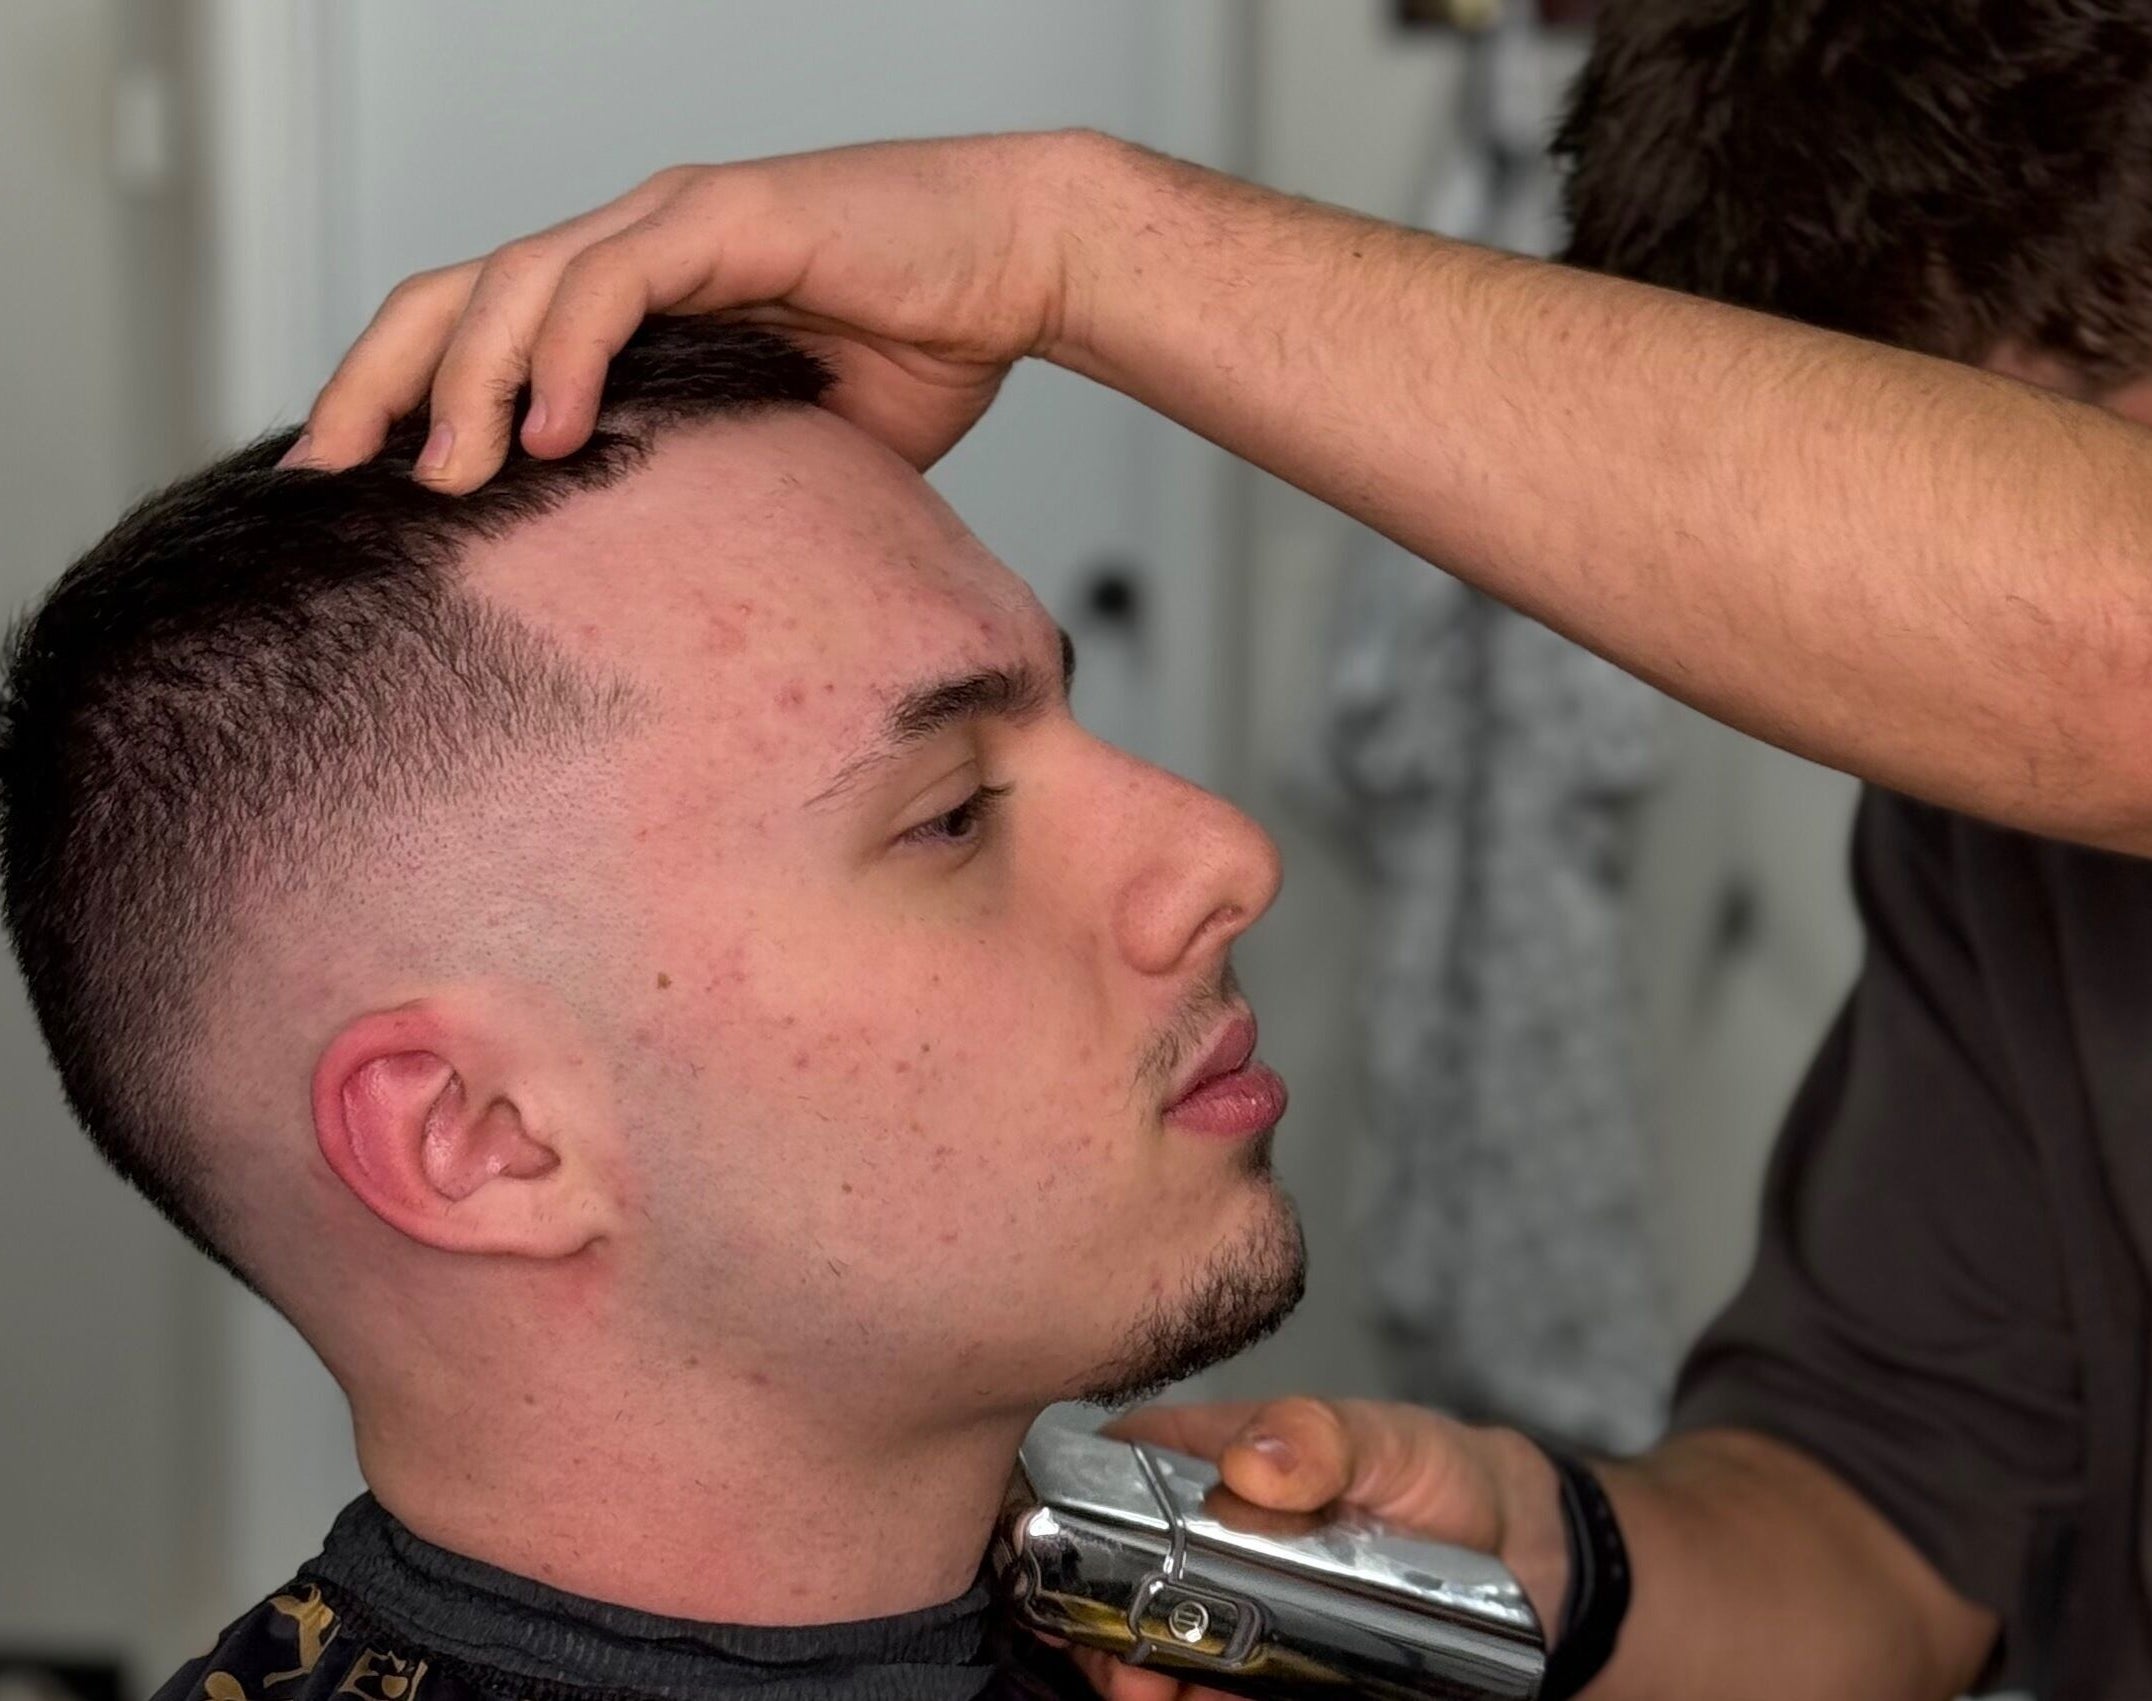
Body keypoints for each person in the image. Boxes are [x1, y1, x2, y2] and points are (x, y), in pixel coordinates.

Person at [280, 1, 2152, 1695]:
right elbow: (1877, 1530)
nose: (1916, 651)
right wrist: (1553, 1550)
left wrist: (1064, 240)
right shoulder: (2015, 830)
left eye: (1991, 505)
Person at [2, 318, 1304, 1701]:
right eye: (953, 817)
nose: (1223, 856)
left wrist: (1561, 1575)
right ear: (483, 1136)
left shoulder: (1198, 1622)